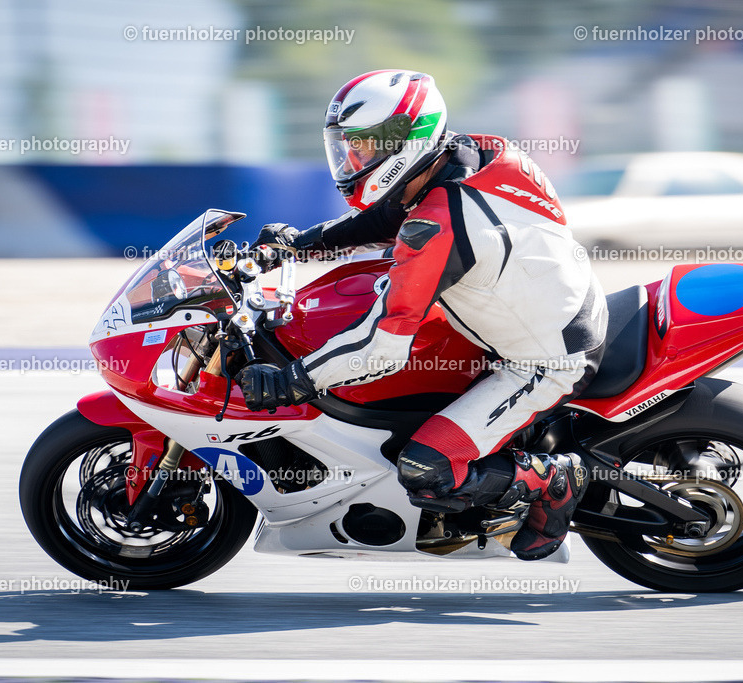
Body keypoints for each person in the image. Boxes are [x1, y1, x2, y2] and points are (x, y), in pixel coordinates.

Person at [237, 69, 607, 560]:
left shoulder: (438, 224)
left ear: (407, 141)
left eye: (365, 148)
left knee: (426, 469)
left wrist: (295, 378)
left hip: (546, 360)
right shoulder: (474, 151)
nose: (352, 160)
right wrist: (301, 244)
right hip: (545, 300)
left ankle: (553, 478)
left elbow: (381, 347)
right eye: (346, 146)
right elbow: (390, 213)